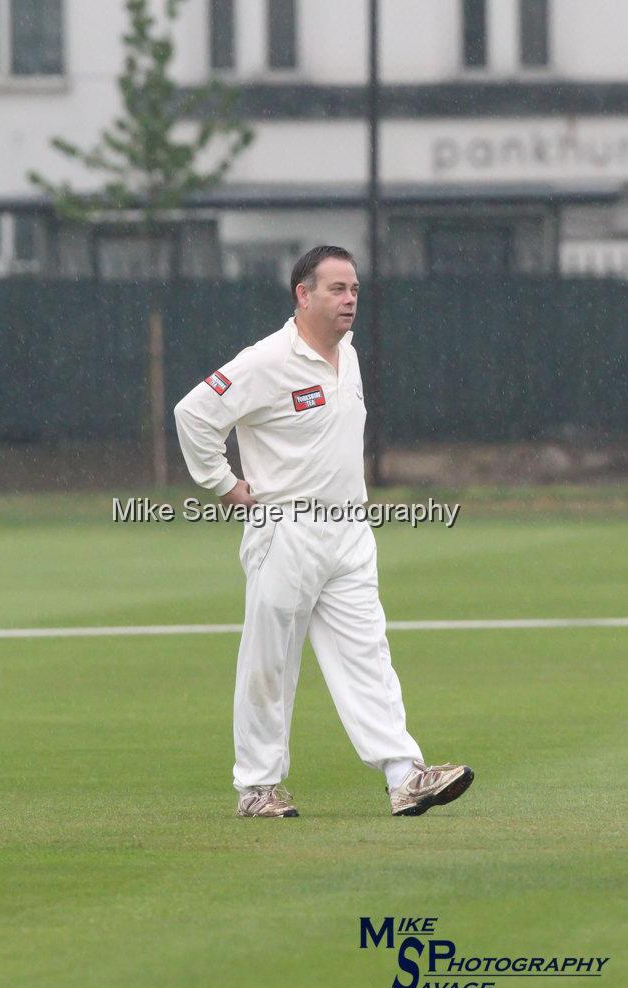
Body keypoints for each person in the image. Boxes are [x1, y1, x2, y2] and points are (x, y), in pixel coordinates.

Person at [174, 245, 473, 818]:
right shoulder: (265, 360)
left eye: (354, 288)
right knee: (271, 660)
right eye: (337, 289)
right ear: (303, 295)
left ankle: (405, 776)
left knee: (368, 653)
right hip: (285, 529)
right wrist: (223, 483)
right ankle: (258, 788)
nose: (350, 299)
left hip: (350, 530)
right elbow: (194, 413)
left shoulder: (349, 354)